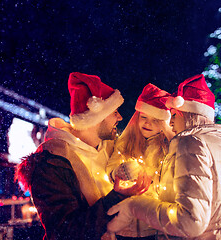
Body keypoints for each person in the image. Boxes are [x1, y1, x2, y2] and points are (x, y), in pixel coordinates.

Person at [15, 72, 151, 240]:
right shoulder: (51, 162)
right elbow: (65, 232)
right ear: (96, 115)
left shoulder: (110, 150)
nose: (120, 117)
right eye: (114, 111)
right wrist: (117, 197)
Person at [107, 74, 221, 240]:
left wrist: (134, 206)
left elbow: (191, 222)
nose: (170, 122)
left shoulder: (190, 142)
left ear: (186, 115)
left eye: (173, 115)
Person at [106, 83, 174, 239]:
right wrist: (117, 172)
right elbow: (110, 167)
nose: (148, 123)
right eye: (144, 117)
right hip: (123, 225)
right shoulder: (125, 142)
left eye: (155, 120)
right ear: (137, 117)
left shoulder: (165, 149)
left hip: (152, 225)